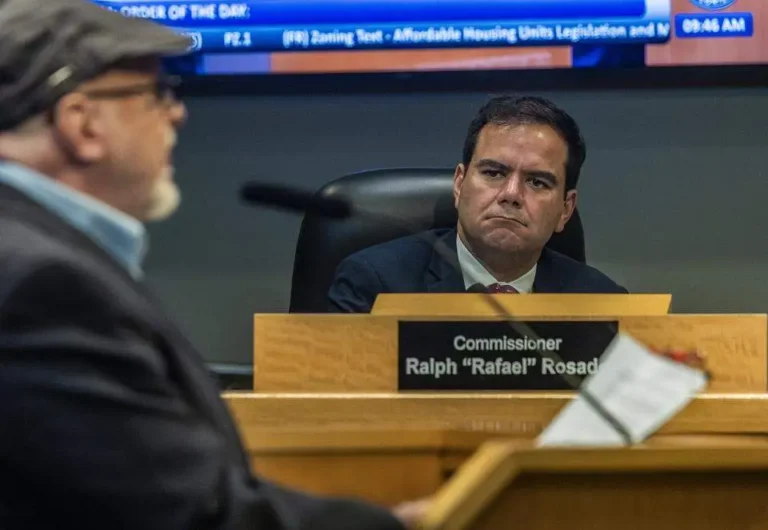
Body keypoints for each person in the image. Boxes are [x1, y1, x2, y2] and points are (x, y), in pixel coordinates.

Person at [0, 0, 426, 528]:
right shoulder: (45, 286)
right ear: (81, 124)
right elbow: (191, 514)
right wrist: (409, 525)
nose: (176, 113)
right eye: (155, 94)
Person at [328, 95, 627, 313]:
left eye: (537, 182)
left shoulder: (604, 303)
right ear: (459, 184)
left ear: (565, 209)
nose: (511, 194)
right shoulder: (375, 286)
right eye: (494, 173)